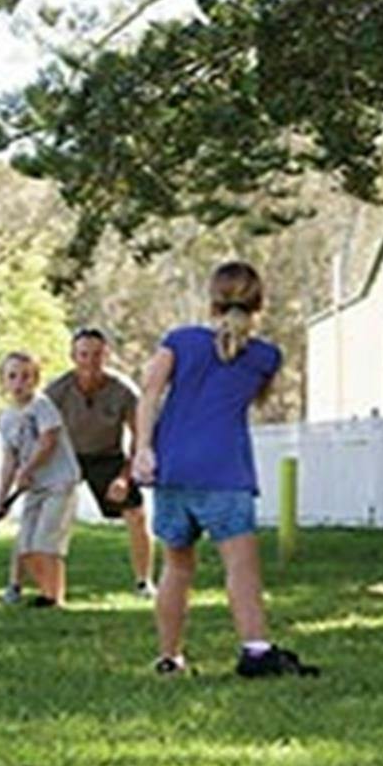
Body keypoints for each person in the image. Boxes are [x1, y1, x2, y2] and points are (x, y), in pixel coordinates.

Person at [132, 261, 317, 678]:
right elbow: (256, 397)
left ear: (212, 299)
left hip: (174, 466)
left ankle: (169, 658)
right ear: (259, 303)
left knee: (176, 567)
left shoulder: (179, 342)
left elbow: (149, 391)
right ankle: (255, 651)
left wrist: (143, 449)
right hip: (224, 471)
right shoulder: (266, 357)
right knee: (240, 567)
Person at [43, 327, 154, 597]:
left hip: (107, 456)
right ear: (73, 356)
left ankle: (144, 582)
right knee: (43, 517)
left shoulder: (123, 390)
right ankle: (22, 585)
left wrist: (124, 478)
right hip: (66, 456)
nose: (90, 361)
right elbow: (40, 433)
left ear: (106, 355)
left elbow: (140, 439)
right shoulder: (57, 391)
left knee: (137, 515)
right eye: (84, 354)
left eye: (97, 354)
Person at [0, 351, 82, 608]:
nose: (20, 382)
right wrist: (1, 500)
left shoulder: (42, 406)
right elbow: (9, 460)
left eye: (26, 376)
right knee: (26, 546)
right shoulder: (7, 417)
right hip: (34, 487)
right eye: (13, 376)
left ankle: (55, 598)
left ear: (36, 380)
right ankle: (45, 594)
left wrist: (28, 469)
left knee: (46, 543)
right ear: (3, 381)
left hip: (59, 483)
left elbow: (48, 441)